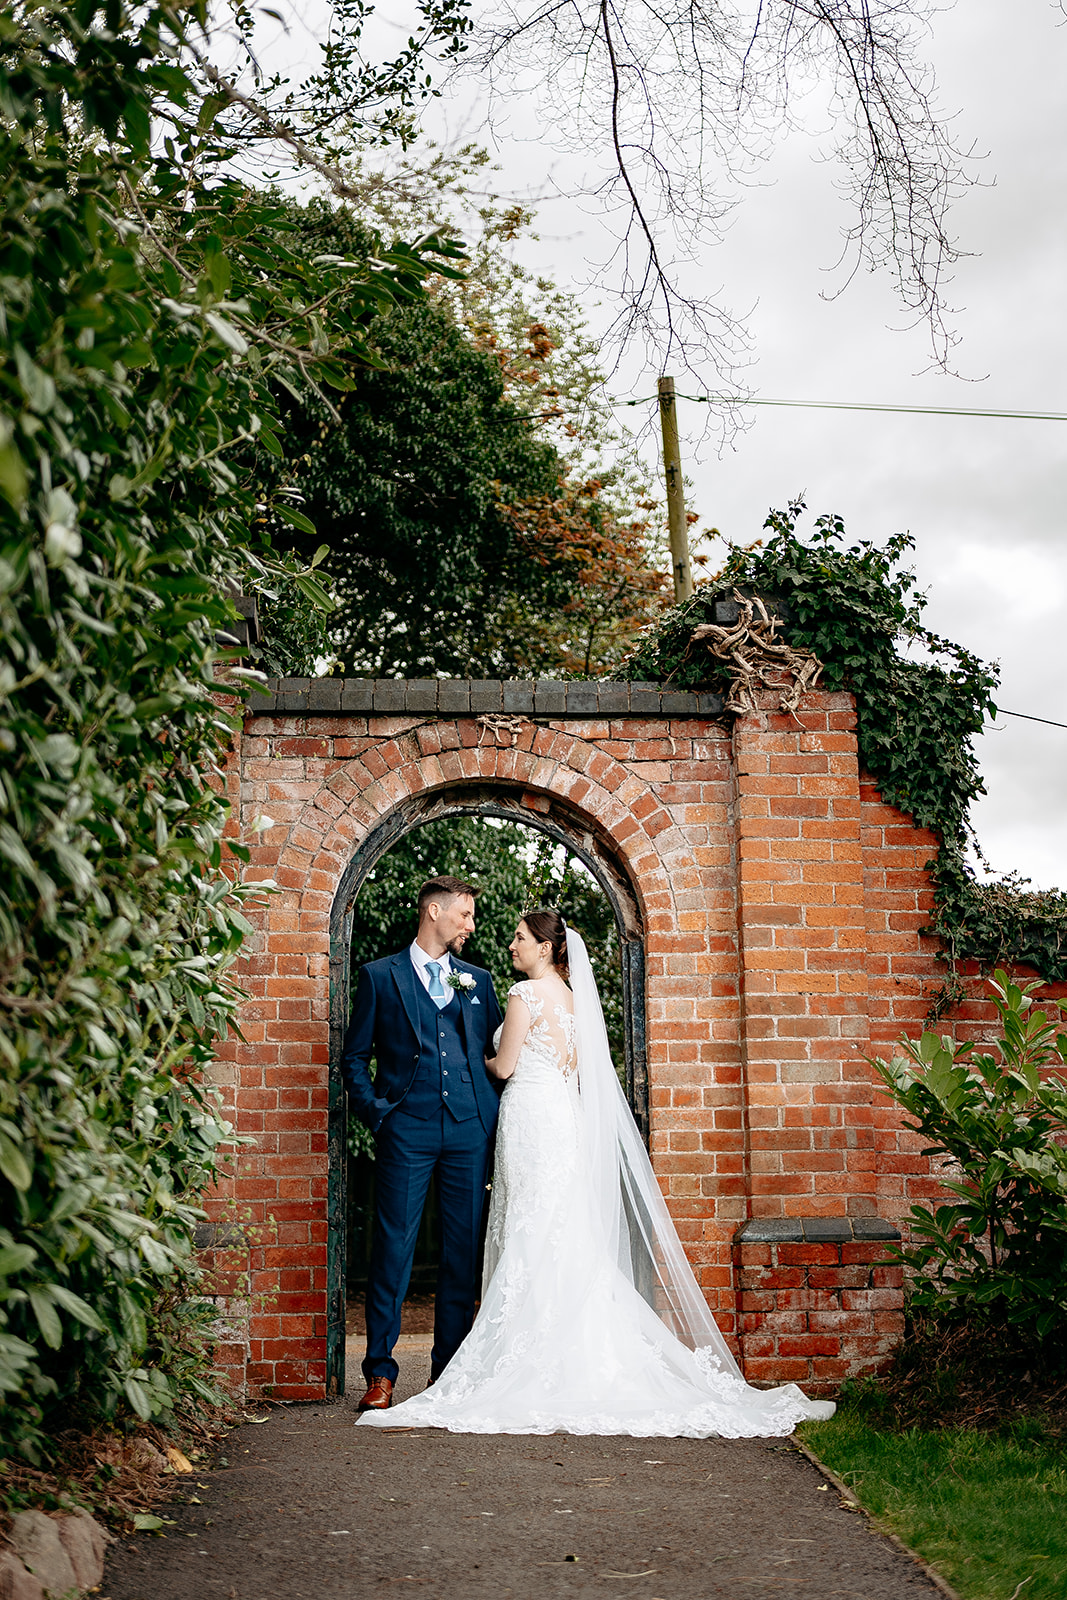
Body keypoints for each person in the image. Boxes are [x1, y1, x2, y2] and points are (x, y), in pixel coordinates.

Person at [357, 909, 835, 1437]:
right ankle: (415, 1368)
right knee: (552, 1233)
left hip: (522, 1121)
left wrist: (485, 1065)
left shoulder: (513, 992)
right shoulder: (575, 1001)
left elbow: (503, 1066)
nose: (504, 940)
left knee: (522, 1234)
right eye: (472, 915)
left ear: (544, 948)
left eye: (518, 937)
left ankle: (477, 1368)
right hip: (554, 1121)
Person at [341, 875, 503, 1412]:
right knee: (392, 1249)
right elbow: (353, 1058)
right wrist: (377, 1114)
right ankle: (380, 1375)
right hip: (404, 1128)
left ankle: (447, 1377)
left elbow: (500, 1053)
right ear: (433, 911)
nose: (470, 925)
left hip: (467, 1130)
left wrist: (492, 1116)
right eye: (465, 914)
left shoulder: (478, 981)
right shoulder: (379, 976)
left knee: (462, 1253)